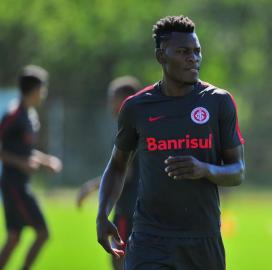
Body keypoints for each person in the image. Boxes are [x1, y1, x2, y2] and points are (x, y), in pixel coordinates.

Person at [96, 15, 245, 270]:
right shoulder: (136, 107)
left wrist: (205, 169)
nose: (193, 58)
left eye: (197, 51)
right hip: (149, 238)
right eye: (183, 51)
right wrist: (102, 213)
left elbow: (238, 171)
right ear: (161, 56)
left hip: (202, 239)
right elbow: (118, 165)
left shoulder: (219, 102)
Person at [0, 65, 62, 270]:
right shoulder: (13, 115)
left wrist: (46, 161)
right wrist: (21, 163)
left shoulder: (30, 116)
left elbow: (25, 153)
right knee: (43, 233)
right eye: (42, 89)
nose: (43, 94)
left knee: (14, 238)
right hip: (14, 185)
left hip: (21, 183)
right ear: (34, 89)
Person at [77, 76, 141, 270]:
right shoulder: (140, 125)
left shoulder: (132, 129)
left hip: (128, 209)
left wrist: (91, 186)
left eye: (112, 98)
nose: (109, 104)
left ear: (125, 100)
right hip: (139, 207)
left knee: (120, 258)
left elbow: (126, 173)